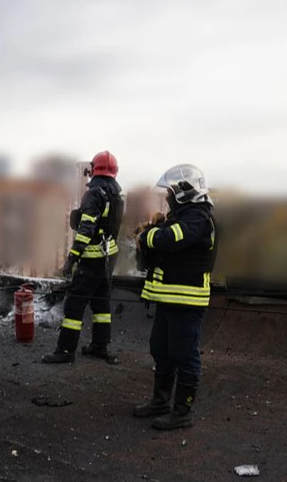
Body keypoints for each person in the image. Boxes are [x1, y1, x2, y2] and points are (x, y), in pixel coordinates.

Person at [132, 164, 218, 430]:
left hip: (187, 300)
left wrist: (147, 235)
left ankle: (181, 413)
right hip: (169, 299)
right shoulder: (183, 215)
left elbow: (169, 240)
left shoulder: (199, 218)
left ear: (185, 191)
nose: (168, 196)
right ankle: (160, 401)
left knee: (184, 355)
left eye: (171, 191)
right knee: (161, 349)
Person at [43, 150, 124, 364]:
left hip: (92, 259)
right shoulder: (116, 197)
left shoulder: (95, 194)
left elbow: (86, 229)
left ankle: (66, 350)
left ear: (93, 170)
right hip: (108, 259)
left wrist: (72, 258)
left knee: (74, 304)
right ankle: (100, 346)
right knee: (101, 305)